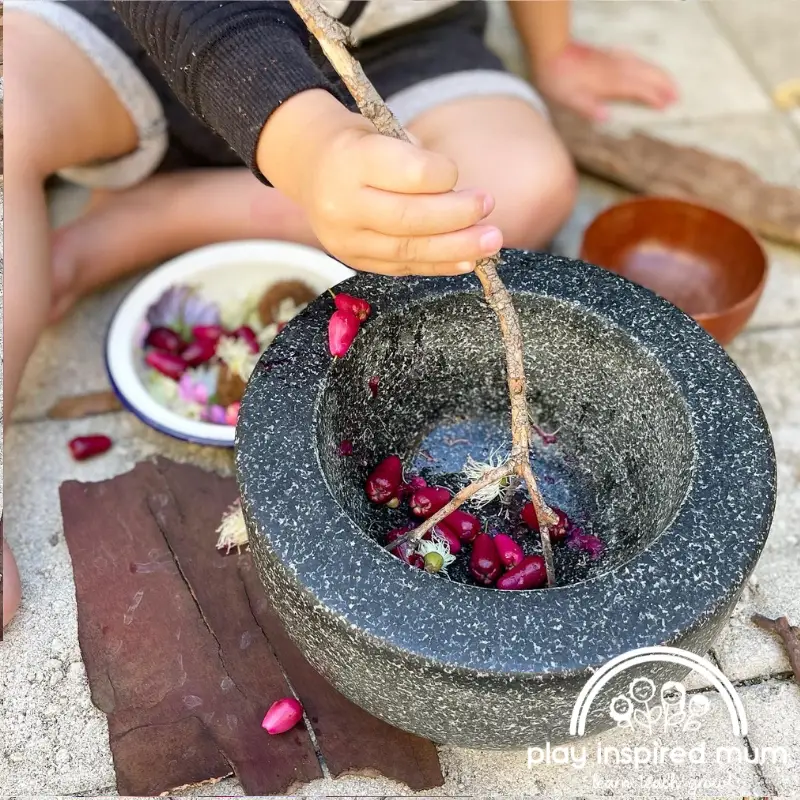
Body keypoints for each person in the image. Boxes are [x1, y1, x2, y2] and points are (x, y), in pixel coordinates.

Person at [1, 0, 677, 627]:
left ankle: (155, 215)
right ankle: (261, 189)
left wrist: (552, 48)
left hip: (395, 44)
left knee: (519, 190)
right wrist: (310, 145)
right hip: (141, 28)